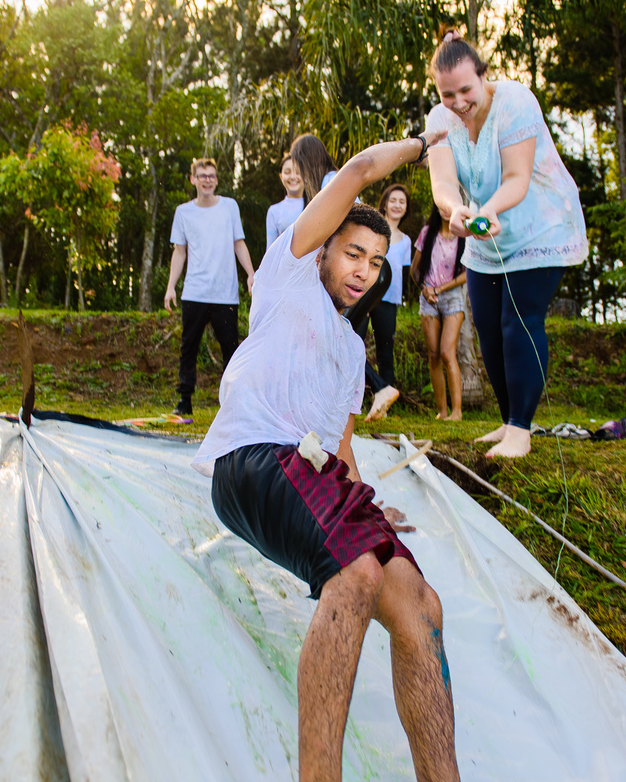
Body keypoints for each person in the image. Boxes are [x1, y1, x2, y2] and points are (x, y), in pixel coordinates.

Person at [192, 130, 459, 782]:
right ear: (324, 248)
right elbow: (362, 169)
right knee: (358, 570)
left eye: (377, 261)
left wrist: (367, 506)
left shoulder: (350, 350)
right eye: (354, 253)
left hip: (309, 471)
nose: (364, 270)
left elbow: (340, 449)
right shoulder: (289, 270)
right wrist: (424, 145)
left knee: (420, 605)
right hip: (252, 457)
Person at [426, 29, 588, 457]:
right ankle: (507, 420)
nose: (459, 102)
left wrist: (490, 210)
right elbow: (443, 183)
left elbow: (517, 177)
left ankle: (521, 429)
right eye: (447, 94)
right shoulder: (439, 120)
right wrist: (455, 210)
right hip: (485, 233)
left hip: (539, 226)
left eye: (466, 90)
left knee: (520, 319)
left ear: (483, 75)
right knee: (489, 327)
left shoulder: (515, 101)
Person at [290, 133, 401, 421]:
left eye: (298, 165)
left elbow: (350, 227)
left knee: (335, 334)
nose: (298, 173)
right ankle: (362, 396)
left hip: (368, 267)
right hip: (369, 269)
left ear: (306, 160)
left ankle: (379, 389)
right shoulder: (327, 182)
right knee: (344, 337)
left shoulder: (331, 181)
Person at [164, 157, 255, 416]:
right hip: (195, 292)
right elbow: (179, 252)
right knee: (188, 348)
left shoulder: (229, 207)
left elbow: (239, 243)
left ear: (216, 180)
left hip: (225, 294)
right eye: (202, 176)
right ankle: (184, 401)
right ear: (193, 179)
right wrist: (171, 287)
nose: (207, 180)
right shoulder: (183, 212)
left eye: (211, 175)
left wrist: (251, 274)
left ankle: (232, 404)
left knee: (230, 350)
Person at [351, 184, 411, 417]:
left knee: (386, 352)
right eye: (393, 200)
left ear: (406, 208)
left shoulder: (406, 241)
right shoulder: (373, 232)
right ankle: (357, 401)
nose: (397, 205)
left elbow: (403, 273)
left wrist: (403, 301)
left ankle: (384, 406)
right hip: (365, 298)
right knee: (354, 346)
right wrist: (363, 300)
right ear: (385, 203)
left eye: (402, 202)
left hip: (389, 302)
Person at [411, 205, 467, 421]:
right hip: (428, 298)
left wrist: (440, 289)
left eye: (450, 207)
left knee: (446, 353)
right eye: (442, 206)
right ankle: (442, 411)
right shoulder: (427, 233)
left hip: (452, 297)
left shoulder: (465, 236)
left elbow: (467, 274)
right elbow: (414, 269)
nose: (446, 211)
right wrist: (425, 289)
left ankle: (457, 412)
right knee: (433, 355)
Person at [265, 153, 304, 252]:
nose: (293, 177)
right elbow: (270, 251)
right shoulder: (274, 211)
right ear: (281, 176)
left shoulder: (315, 205)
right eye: (287, 172)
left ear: (306, 175)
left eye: (298, 172)